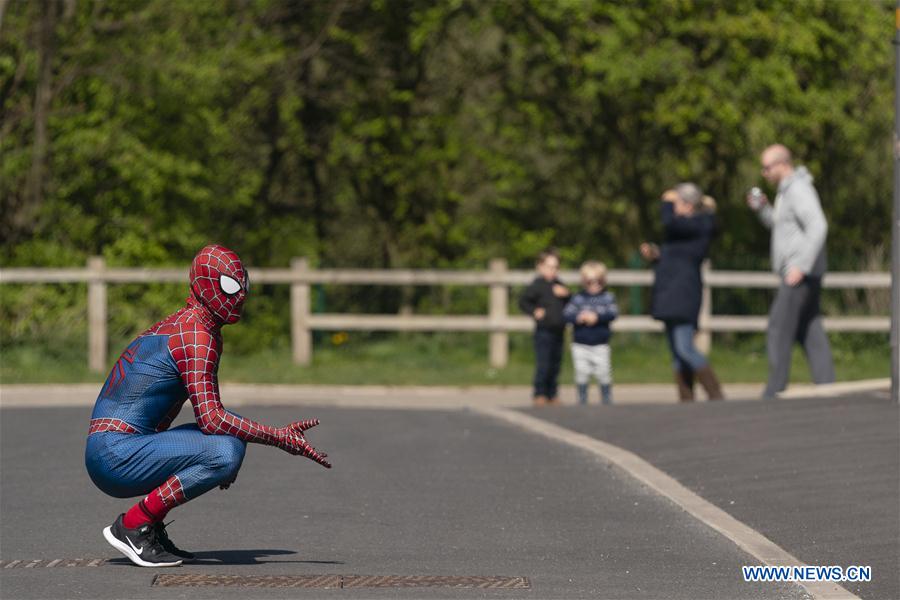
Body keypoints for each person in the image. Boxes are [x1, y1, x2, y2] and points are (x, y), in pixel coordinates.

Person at [85, 244, 331, 568]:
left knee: (229, 444)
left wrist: (238, 441)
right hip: (114, 454)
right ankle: (134, 525)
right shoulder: (197, 336)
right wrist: (280, 438)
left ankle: (148, 527)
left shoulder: (189, 324)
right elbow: (213, 420)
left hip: (117, 445)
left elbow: (212, 418)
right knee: (224, 452)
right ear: (204, 285)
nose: (240, 294)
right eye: (230, 285)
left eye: (244, 284)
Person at [747, 144, 835, 398]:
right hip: (804, 270)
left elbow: (818, 225)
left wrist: (801, 266)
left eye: (767, 167)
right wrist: (762, 209)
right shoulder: (786, 192)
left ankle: (775, 388)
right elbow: (782, 227)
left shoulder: (798, 189)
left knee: (778, 328)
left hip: (800, 272)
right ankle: (827, 386)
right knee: (809, 329)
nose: (764, 173)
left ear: (782, 164)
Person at [641, 183, 724, 401]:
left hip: (683, 293)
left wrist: (667, 202)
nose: (672, 207)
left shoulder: (700, 223)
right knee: (677, 352)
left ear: (688, 205)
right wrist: (656, 255)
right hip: (669, 292)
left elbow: (669, 223)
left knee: (685, 348)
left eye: (677, 203)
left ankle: (715, 393)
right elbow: (677, 254)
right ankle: (686, 397)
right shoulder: (684, 230)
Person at [518, 248, 571, 406]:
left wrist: (567, 295)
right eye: (549, 266)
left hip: (559, 330)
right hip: (544, 331)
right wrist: (534, 311)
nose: (552, 270)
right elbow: (523, 302)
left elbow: (572, 303)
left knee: (556, 363)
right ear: (540, 267)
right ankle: (540, 392)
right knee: (544, 363)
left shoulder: (560, 285)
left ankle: (552, 393)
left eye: (555, 267)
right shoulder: (537, 286)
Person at [563, 261, 618, 405]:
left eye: (598, 281)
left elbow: (613, 314)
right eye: (589, 281)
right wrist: (578, 318)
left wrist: (597, 317)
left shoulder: (607, 298)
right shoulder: (578, 299)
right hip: (580, 343)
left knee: (603, 373)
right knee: (582, 373)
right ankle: (582, 398)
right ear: (583, 281)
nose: (594, 284)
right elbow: (567, 315)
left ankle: (606, 397)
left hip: (601, 343)